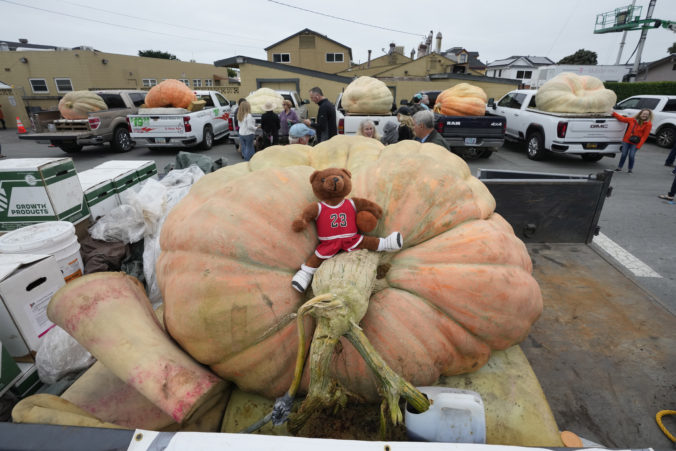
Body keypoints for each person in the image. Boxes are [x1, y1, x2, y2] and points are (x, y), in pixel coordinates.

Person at [612, 108, 652, 173]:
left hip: (636, 142)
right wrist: (613, 113)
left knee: (631, 155)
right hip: (626, 140)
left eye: (647, 114)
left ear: (648, 116)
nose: (644, 115)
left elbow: (644, 136)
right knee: (624, 154)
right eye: (643, 113)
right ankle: (619, 168)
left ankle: (630, 169)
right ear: (640, 113)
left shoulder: (648, 124)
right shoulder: (632, 120)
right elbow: (622, 118)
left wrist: (639, 146)